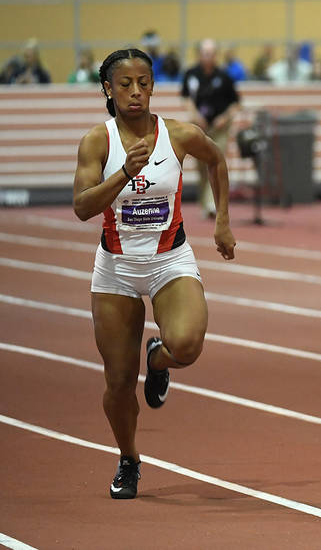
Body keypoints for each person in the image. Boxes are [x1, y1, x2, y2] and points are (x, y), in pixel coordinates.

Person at [72, 48, 236, 499]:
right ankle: (129, 459)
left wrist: (222, 222)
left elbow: (217, 159)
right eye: (125, 84)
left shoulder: (178, 134)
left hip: (170, 260)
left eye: (144, 83)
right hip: (117, 270)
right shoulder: (98, 142)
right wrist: (125, 172)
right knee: (119, 383)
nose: (136, 92)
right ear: (108, 90)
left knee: (188, 344)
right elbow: (83, 207)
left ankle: (159, 358)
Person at [180, 39, 241, 218]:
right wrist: (195, 115)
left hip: (219, 129)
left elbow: (236, 103)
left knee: (215, 161)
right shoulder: (191, 74)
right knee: (201, 166)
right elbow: (186, 98)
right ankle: (204, 201)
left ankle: (211, 203)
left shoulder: (224, 76)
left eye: (212, 53)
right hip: (199, 127)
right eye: (205, 53)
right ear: (199, 54)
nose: (209, 56)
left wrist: (225, 118)